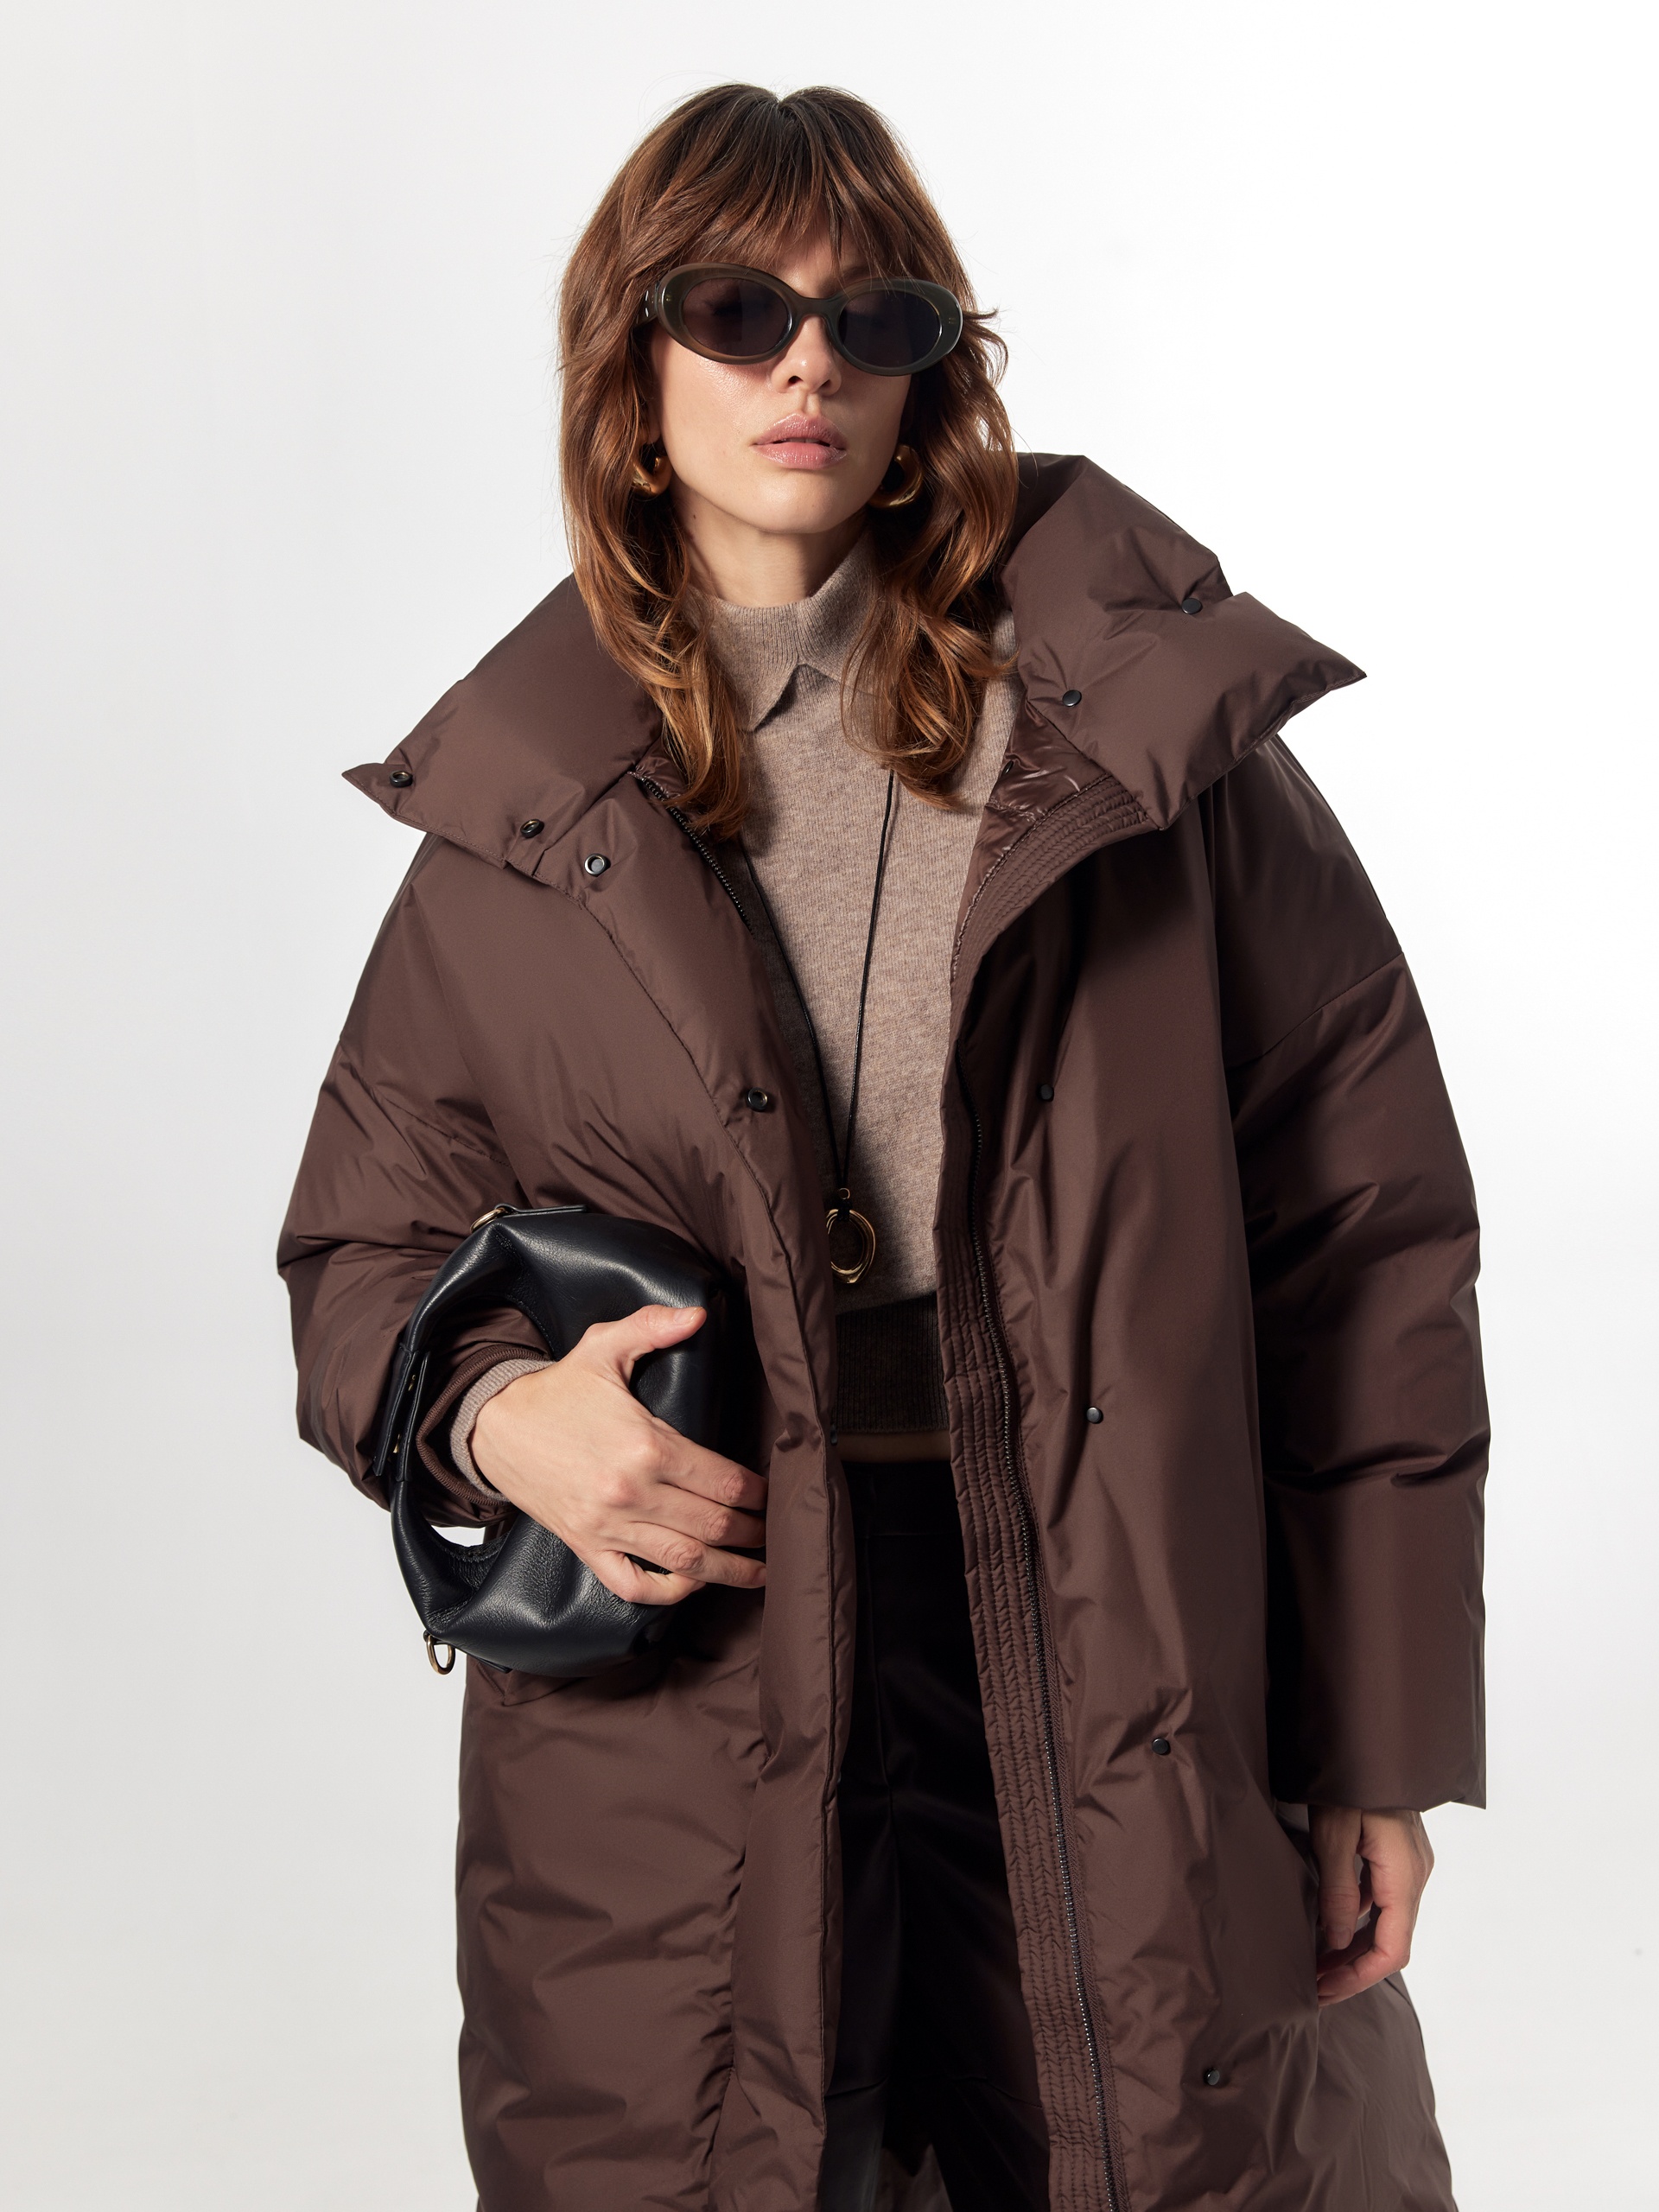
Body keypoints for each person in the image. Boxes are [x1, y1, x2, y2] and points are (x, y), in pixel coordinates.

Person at [279, 82, 1486, 2212]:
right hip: (701, 1676)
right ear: (637, 376)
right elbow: (358, 1252)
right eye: (739, 310)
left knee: (1164, 2153)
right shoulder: (524, 821)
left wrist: (1378, 1742)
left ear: (934, 373)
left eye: (875, 314)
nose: (809, 363)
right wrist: (495, 1418)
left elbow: (1364, 1238)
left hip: (1114, 1628)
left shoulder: (1142, 749)